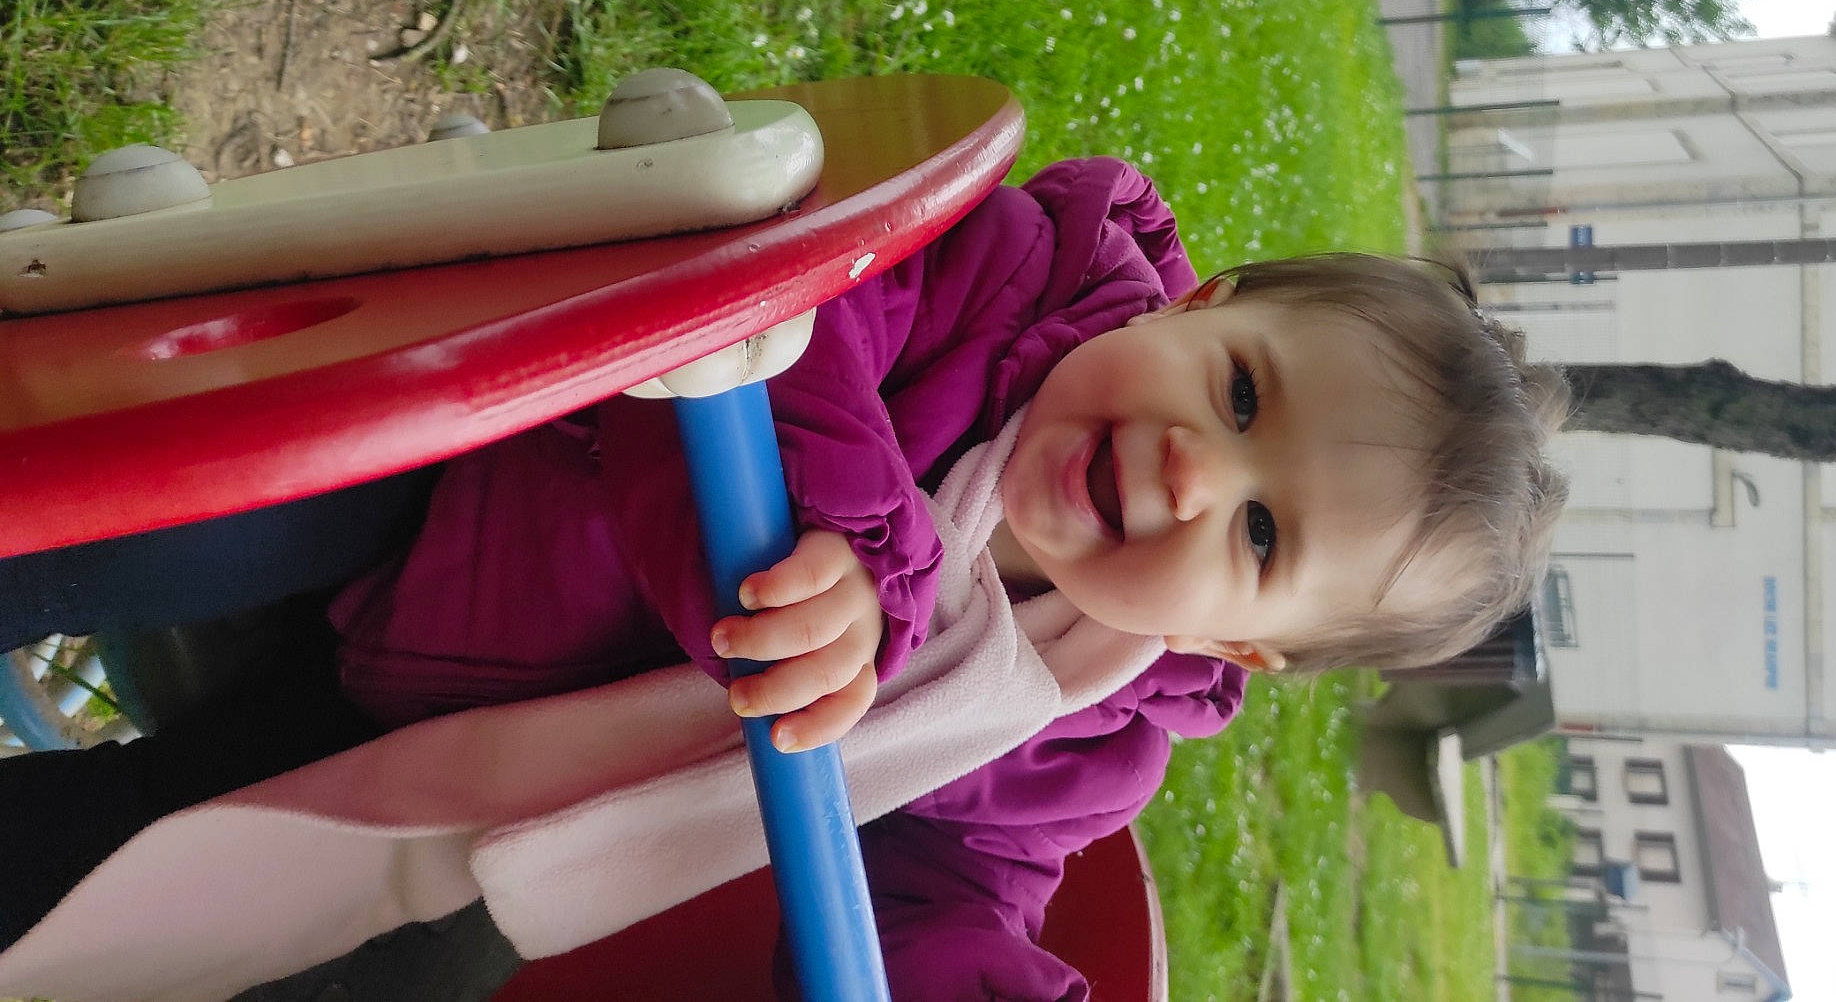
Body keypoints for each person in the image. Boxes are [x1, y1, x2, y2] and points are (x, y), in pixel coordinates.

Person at [0, 156, 1567, 1001]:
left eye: (1262, 538)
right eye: (1238, 392)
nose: (1190, 473)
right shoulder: (1008, 279)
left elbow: (947, 886)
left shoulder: (1079, 740)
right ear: (1198, 301)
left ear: (1249, 647)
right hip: (447, 491)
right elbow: (801, 313)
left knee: (199, 908)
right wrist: (864, 557)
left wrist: (972, 988)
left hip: (440, 763)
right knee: (119, 509)